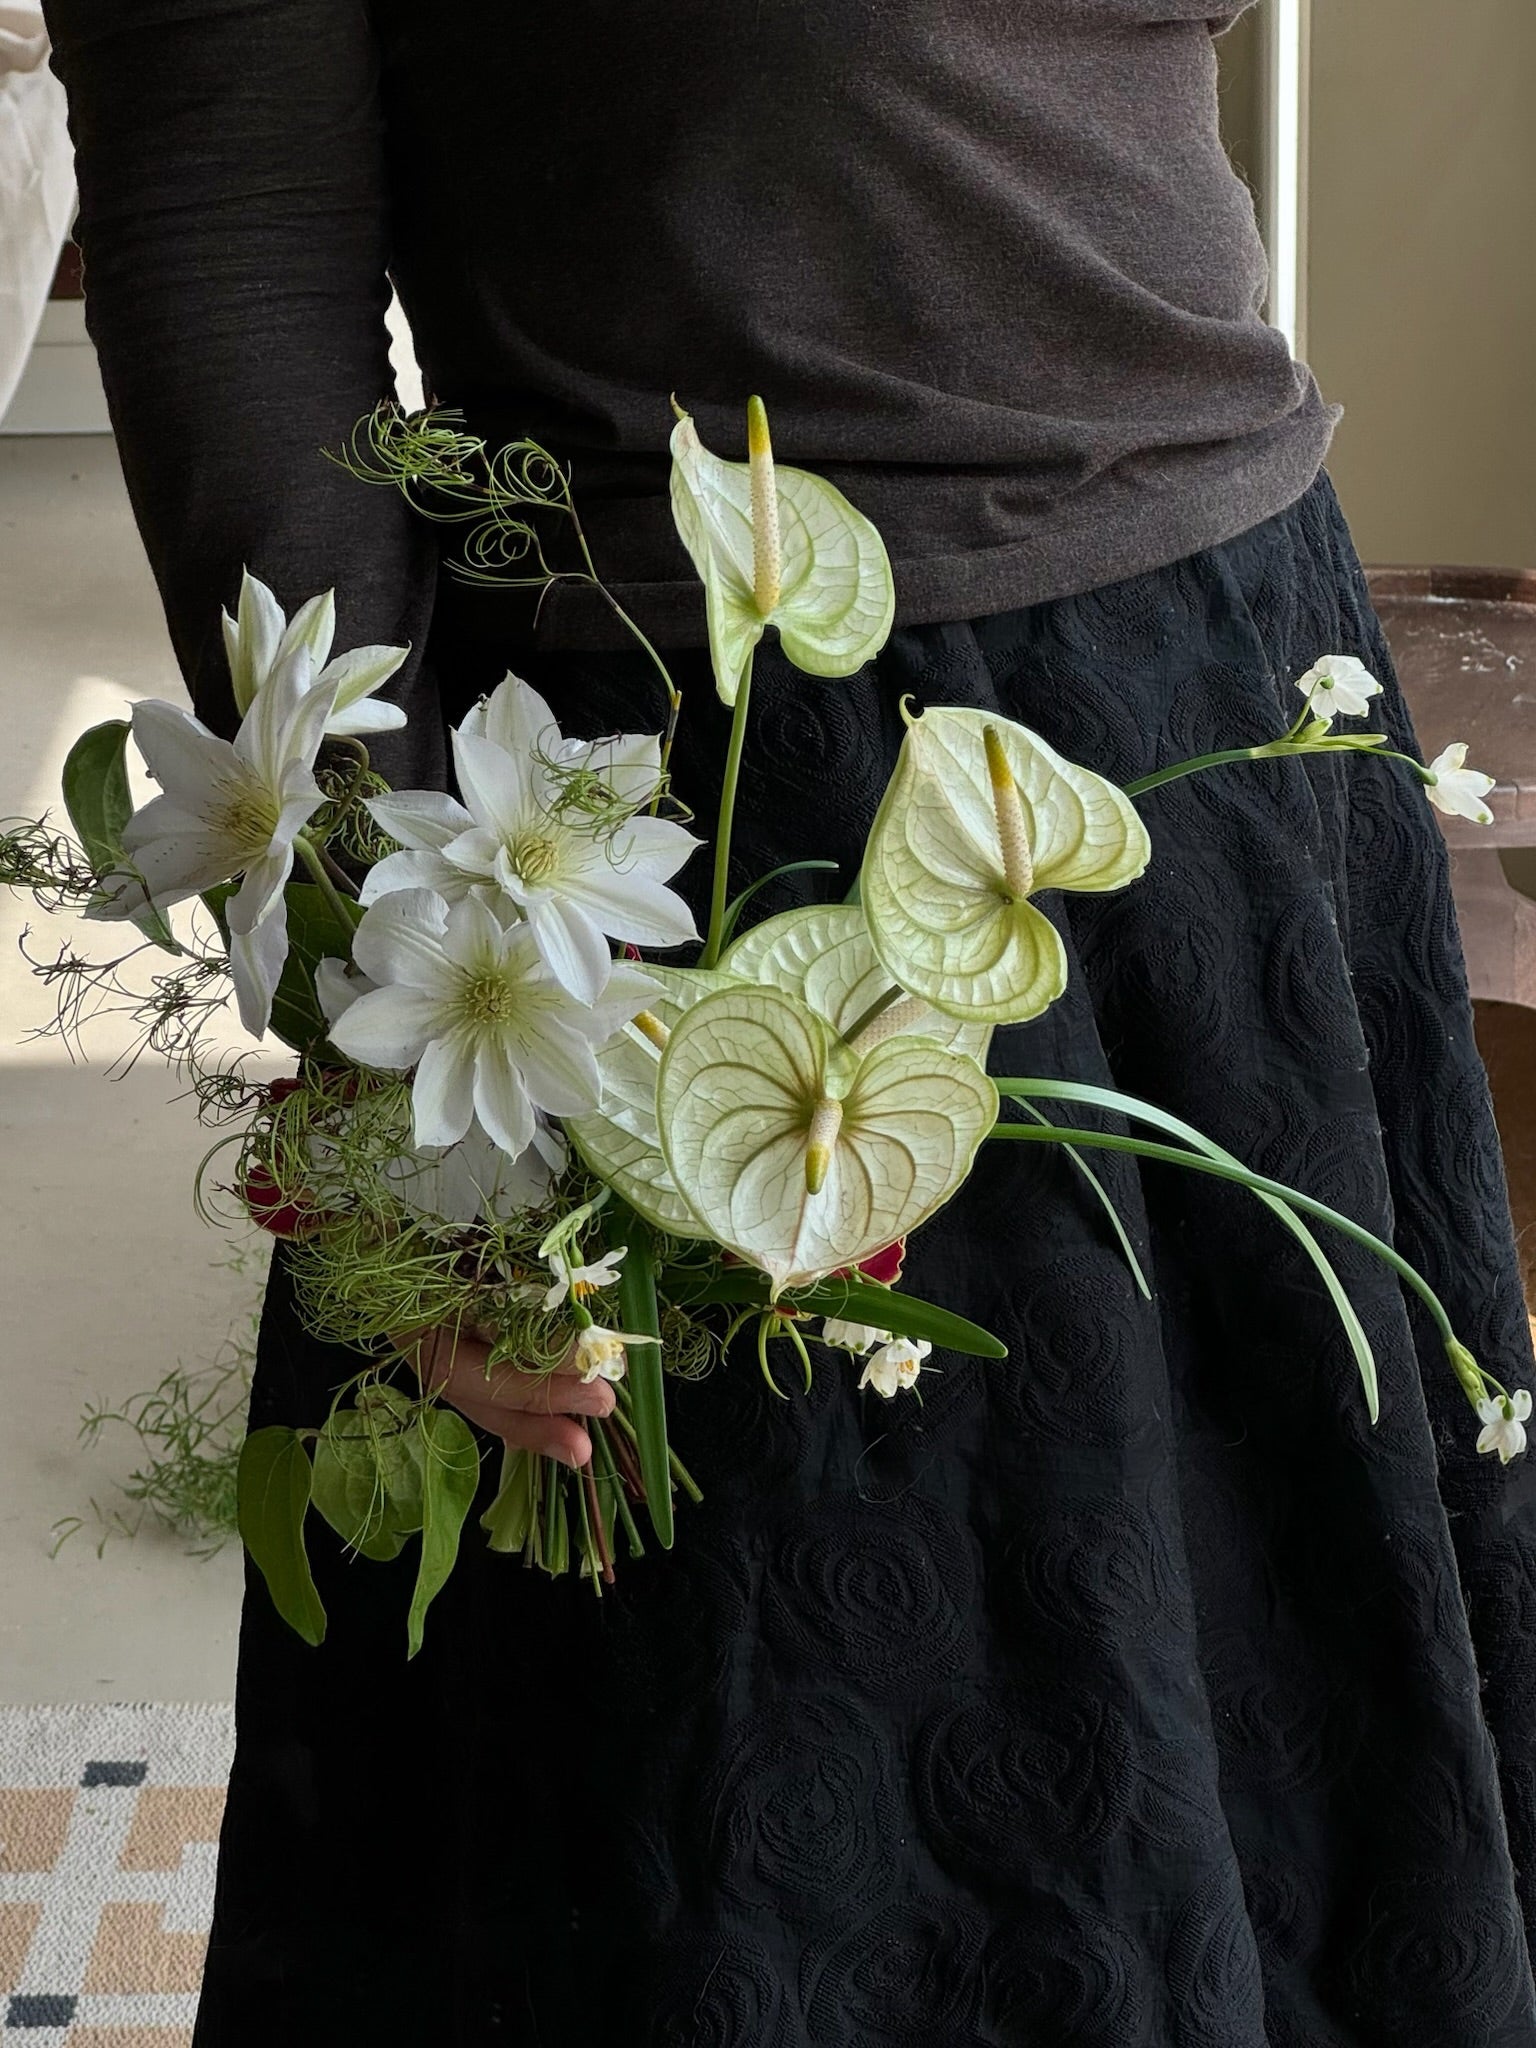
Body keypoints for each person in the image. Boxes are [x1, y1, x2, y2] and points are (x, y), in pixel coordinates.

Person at [40, 3, 1536, 2041]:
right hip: (713, 820)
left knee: (1299, 1803)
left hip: (1226, 725)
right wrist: (394, 1025)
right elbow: (230, 233)